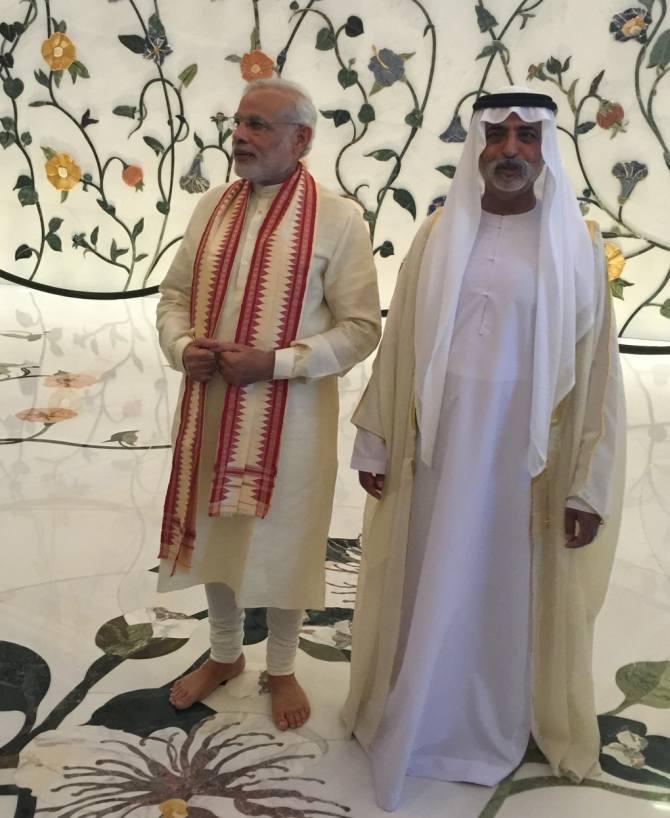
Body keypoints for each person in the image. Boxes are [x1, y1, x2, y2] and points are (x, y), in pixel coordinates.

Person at [342, 86, 625, 810]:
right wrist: (376, 439)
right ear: (476, 145)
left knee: (500, 586)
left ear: (545, 149)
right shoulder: (437, 234)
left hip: (524, 465)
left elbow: (596, 378)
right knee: (425, 573)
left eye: (525, 137)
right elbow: (400, 339)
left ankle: (487, 722)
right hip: (437, 451)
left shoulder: (578, 245)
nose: (509, 150)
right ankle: (415, 710)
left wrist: (585, 485)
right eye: (496, 135)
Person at [156, 78, 380, 731]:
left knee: (285, 542)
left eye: (258, 126)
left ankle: (280, 667)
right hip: (212, 406)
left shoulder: (339, 220)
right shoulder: (211, 206)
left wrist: (278, 363)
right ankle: (224, 655)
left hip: (293, 420)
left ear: (301, 138)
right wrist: (183, 345)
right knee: (217, 534)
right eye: (239, 123)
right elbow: (173, 296)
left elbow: (362, 328)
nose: (241, 138)